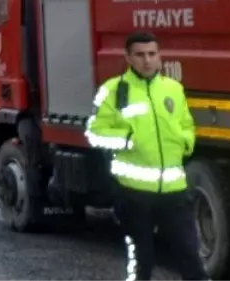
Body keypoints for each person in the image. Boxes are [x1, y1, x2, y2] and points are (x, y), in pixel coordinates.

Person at [85, 30, 206, 281]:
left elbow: (187, 125)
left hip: (174, 191)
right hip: (133, 194)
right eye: (140, 55)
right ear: (128, 58)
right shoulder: (112, 91)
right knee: (143, 260)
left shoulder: (173, 88)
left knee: (190, 258)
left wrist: (186, 142)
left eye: (152, 54)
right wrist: (128, 140)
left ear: (160, 56)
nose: (147, 60)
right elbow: (94, 134)